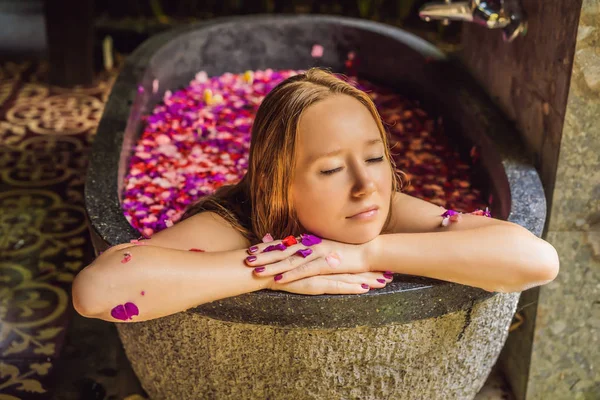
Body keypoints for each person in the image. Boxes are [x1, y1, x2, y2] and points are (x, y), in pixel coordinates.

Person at [72, 68, 560, 323]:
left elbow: (536, 260)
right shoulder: (233, 221)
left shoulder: (382, 211)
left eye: (374, 158)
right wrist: (275, 267)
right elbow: (97, 292)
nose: (366, 184)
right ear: (277, 182)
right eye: (330, 168)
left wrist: (361, 253)